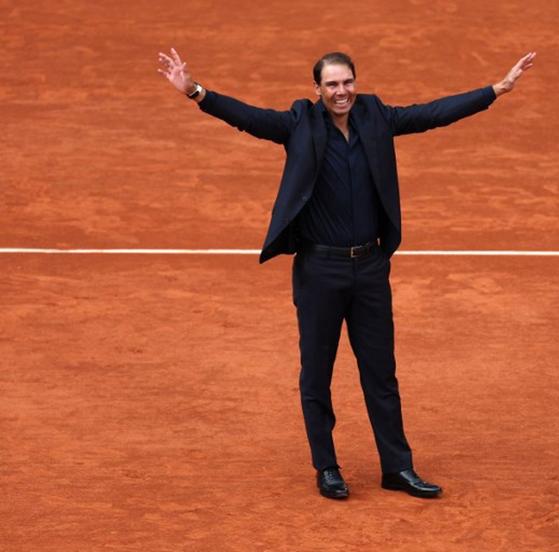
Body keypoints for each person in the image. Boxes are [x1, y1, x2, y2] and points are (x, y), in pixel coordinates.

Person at [157, 48, 535, 499]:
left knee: (381, 373)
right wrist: (196, 91)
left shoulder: (376, 116)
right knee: (317, 374)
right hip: (320, 271)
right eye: (332, 84)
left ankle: (397, 467)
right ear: (317, 89)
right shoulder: (299, 122)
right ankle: (327, 467)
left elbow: (432, 114)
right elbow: (248, 118)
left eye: (348, 82)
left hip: (370, 269)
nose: (342, 92)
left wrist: (495, 90)